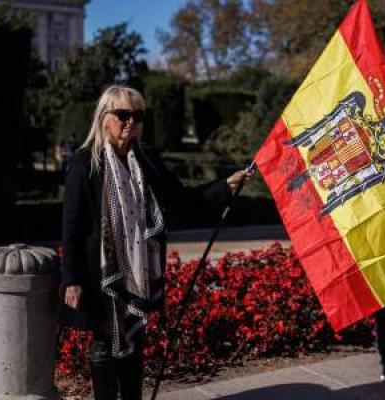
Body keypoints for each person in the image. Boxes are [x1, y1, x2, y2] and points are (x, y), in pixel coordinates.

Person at [61, 85, 251, 400]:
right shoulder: (85, 163)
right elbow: (72, 227)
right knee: (103, 343)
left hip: (140, 270)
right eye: (123, 115)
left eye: (137, 116)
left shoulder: (147, 160)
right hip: (101, 272)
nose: (130, 122)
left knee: (135, 338)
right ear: (104, 118)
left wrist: (224, 187)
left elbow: (182, 198)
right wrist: (72, 279)